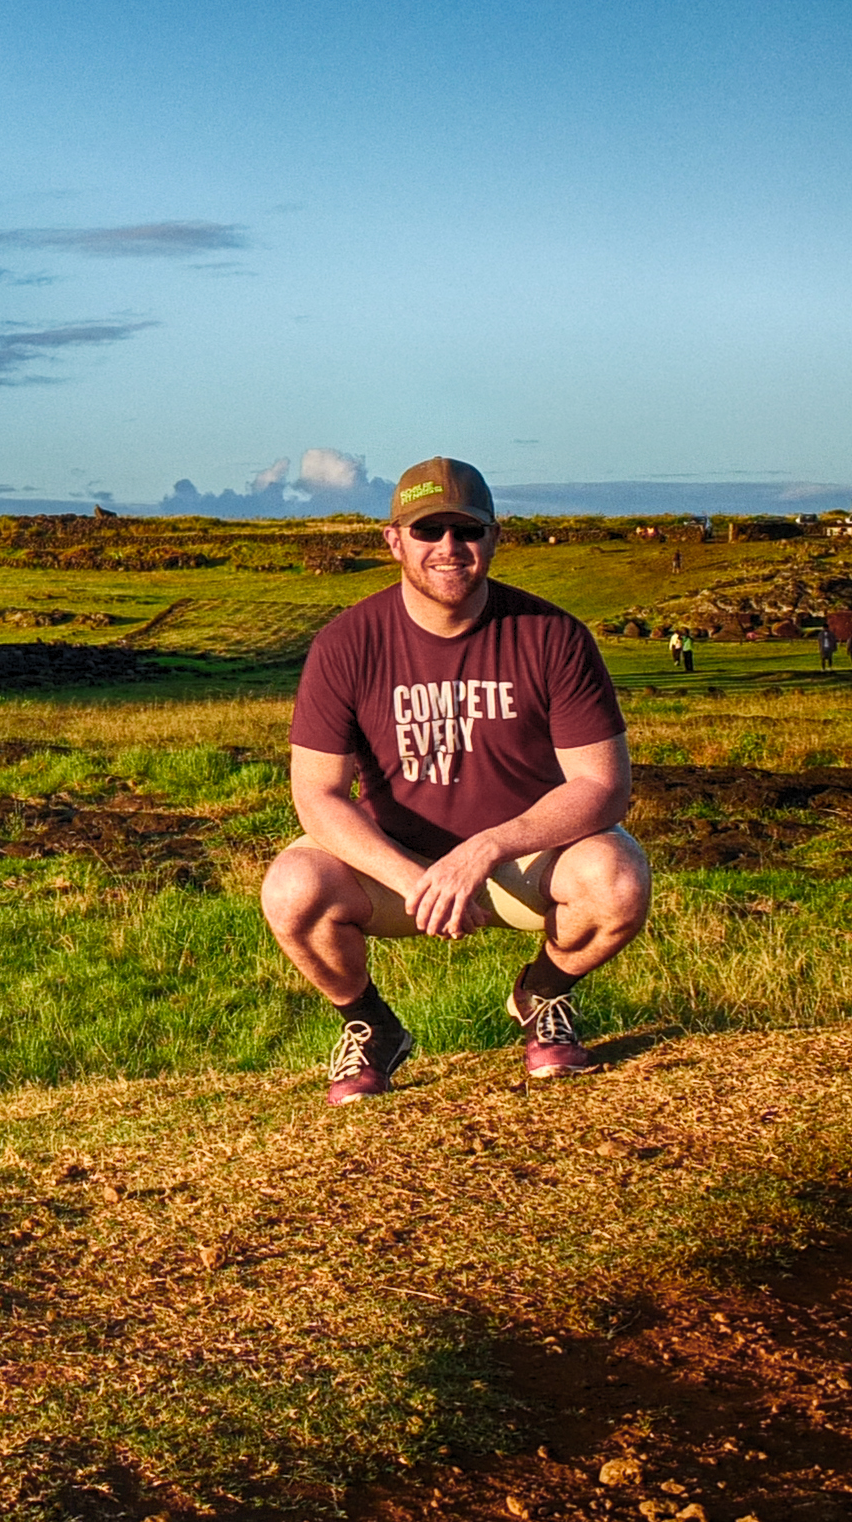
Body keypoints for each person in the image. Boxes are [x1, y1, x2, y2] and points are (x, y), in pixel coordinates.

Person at [263, 457, 653, 1104]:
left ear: (493, 537)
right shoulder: (345, 644)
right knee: (291, 888)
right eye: (427, 530)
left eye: (465, 530)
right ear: (394, 539)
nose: (448, 547)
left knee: (617, 877)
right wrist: (414, 878)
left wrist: (484, 848)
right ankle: (370, 1027)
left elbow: (601, 786)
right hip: (397, 867)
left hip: (522, 861)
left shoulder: (551, 636)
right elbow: (317, 794)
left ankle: (543, 994)